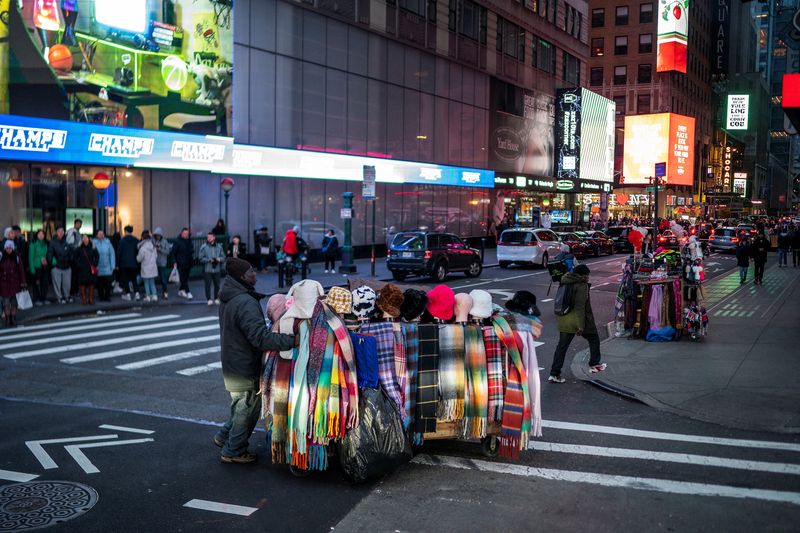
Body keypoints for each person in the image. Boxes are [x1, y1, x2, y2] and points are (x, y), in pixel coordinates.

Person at [213, 257, 296, 464]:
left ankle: (224, 437)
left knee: (240, 404)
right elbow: (260, 337)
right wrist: (292, 340)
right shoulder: (245, 302)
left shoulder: (231, 296)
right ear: (242, 276)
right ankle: (234, 450)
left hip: (233, 360)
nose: (255, 274)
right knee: (247, 408)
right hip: (243, 365)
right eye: (251, 271)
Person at [548, 264, 606, 383]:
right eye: (587, 275)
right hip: (578, 320)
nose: (588, 277)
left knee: (561, 347)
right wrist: (580, 326)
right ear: (581, 275)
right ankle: (594, 364)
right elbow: (580, 307)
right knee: (594, 338)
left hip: (564, 319)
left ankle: (554, 374)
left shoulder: (565, 281)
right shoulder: (581, 285)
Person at [1, 240, 27, 327]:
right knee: (6, 302)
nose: (8, 249)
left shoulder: (17, 257)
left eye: (10, 247)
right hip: (4, 283)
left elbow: (21, 270)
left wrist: (23, 282)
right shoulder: (1, 257)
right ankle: (8, 319)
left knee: (14, 302)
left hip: (15, 283)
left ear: (13, 248)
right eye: (7, 248)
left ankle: (13, 318)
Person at [47, 226, 72, 304]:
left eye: (62, 231)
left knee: (67, 284)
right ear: (56, 232)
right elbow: (49, 254)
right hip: (56, 266)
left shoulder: (67, 241)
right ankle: (59, 297)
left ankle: (66, 296)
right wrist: (51, 263)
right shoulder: (52, 242)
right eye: (59, 231)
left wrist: (70, 260)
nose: (61, 233)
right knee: (57, 283)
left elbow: (71, 253)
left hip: (67, 266)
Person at [199, 232, 225, 305]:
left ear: (214, 237)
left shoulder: (219, 246)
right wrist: (209, 260)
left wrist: (219, 259)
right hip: (207, 269)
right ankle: (209, 299)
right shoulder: (203, 247)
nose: (209, 238)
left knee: (217, 284)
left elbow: (223, 257)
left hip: (217, 269)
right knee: (208, 284)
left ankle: (216, 298)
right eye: (208, 237)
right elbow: (200, 258)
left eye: (210, 237)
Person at [117, 225, 141, 301]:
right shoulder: (136, 240)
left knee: (125, 279)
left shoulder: (122, 241)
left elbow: (119, 253)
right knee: (134, 279)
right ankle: (137, 294)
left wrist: (117, 264)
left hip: (124, 263)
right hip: (134, 263)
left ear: (126, 231)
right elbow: (138, 252)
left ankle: (128, 294)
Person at [75, 234, 98, 305]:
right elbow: (75, 257)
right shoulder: (79, 248)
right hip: (82, 269)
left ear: (89, 239)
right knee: (82, 284)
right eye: (83, 238)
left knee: (91, 283)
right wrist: (79, 265)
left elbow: (97, 256)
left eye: (86, 238)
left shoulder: (93, 247)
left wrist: (94, 264)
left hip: (91, 268)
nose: (85, 239)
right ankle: (84, 299)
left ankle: (91, 299)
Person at [137, 230, 159, 302]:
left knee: (146, 282)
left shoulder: (142, 248)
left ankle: (148, 296)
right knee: (152, 282)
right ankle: (154, 296)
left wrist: (137, 258)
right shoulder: (153, 246)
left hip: (145, 267)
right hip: (153, 267)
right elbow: (156, 256)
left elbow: (139, 259)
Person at [28, 230, 49, 305]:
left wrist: (48, 261)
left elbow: (47, 254)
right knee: (36, 284)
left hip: (44, 266)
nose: (41, 235)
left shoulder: (45, 243)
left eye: (42, 234)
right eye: (39, 234)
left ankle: (43, 298)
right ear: (36, 235)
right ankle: (36, 299)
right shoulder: (33, 244)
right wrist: (32, 269)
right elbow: (30, 257)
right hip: (36, 266)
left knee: (45, 283)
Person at [93, 230, 116, 302]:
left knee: (108, 283)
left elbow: (112, 254)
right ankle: (101, 296)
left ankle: (107, 296)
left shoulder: (108, 242)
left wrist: (113, 265)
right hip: (98, 266)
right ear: (96, 235)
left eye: (102, 234)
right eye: (100, 234)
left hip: (107, 266)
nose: (101, 235)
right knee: (100, 283)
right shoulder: (94, 243)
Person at [173, 228, 194, 299]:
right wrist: (174, 261)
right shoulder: (177, 241)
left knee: (186, 278)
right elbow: (173, 253)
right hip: (180, 263)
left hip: (189, 262)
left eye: (187, 234)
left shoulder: (189, 240)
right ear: (181, 233)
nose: (186, 235)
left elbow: (192, 249)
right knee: (183, 278)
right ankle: (188, 292)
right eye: (184, 234)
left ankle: (181, 290)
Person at [153, 228, 173, 300]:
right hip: (154, 262)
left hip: (162, 263)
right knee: (151, 279)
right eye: (156, 235)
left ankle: (165, 292)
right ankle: (153, 293)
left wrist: (160, 249)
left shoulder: (165, 242)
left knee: (163, 279)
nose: (157, 236)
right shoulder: (153, 241)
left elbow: (168, 252)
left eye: (159, 235)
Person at [65, 219, 82, 297]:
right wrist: (77, 246)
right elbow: (69, 243)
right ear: (74, 224)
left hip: (77, 257)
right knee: (72, 275)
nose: (79, 225)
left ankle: (75, 291)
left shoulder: (78, 233)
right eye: (78, 223)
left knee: (76, 275)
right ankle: (72, 292)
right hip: (72, 257)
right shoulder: (72, 231)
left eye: (80, 224)